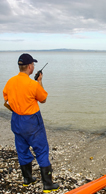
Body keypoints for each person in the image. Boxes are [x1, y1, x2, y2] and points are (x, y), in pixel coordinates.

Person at [3, 53, 59, 193]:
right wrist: (39, 81)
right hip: (32, 122)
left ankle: (27, 180)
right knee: (41, 150)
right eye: (33, 64)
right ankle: (47, 185)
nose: (33, 66)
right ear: (29, 67)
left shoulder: (10, 82)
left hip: (17, 120)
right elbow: (43, 98)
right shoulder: (32, 84)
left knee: (22, 150)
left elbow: (6, 99)